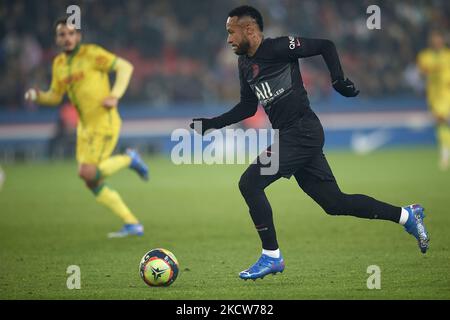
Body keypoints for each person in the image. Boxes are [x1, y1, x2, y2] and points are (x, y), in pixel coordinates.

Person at [190, 6, 429, 280]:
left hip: (302, 131)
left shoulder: (279, 47)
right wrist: (211, 124)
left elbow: (326, 46)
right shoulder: (244, 64)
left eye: (231, 32)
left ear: (249, 30)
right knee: (335, 203)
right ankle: (406, 216)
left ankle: (272, 256)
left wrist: (338, 79)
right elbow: (247, 107)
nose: (229, 39)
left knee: (250, 183)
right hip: (295, 135)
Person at [25, 18, 149, 238]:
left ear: (78, 37)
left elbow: (125, 66)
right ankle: (132, 223)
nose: (67, 38)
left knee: (87, 172)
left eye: (71, 34)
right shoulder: (59, 64)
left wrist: (115, 95)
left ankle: (130, 159)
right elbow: (55, 96)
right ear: (57, 39)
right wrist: (38, 96)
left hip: (104, 121)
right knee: (91, 181)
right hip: (84, 127)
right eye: (62, 34)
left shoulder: (91, 54)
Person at [417, 30, 450, 171]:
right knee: (440, 124)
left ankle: (445, 155)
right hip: (433, 96)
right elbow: (422, 74)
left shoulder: (448, 55)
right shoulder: (425, 56)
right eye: (434, 40)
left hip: (447, 93)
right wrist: (428, 71)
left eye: (438, 40)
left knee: (440, 120)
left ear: (442, 41)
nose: (436, 43)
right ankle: (445, 152)